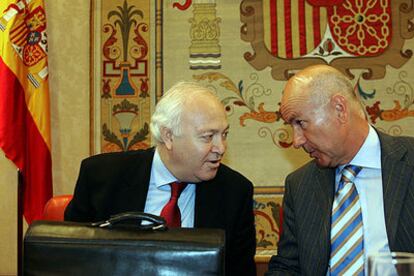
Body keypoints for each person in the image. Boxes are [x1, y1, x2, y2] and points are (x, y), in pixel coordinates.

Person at [65, 81, 256, 276]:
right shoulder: (101, 176)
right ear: (168, 136)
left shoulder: (235, 192)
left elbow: (240, 271)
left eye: (224, 134)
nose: (221, 147)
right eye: (208, 137)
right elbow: (68, 259)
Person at [266, 65, 414, 275]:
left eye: (300, 123)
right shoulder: (300, 185)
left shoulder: (409, 161)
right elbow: (287, 267)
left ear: (339, 109)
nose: (296, 141)